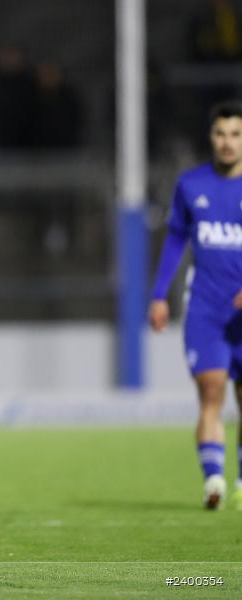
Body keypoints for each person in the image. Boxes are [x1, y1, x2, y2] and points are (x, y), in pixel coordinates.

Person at [149, 100, 242, 510]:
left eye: (236, 134)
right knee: (212, 391)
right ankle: (214, 481)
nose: (227, 142)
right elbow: (175, 240)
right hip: (206, 307)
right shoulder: (191, 185)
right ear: (211, 137)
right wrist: (158, 295)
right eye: (221, 134)